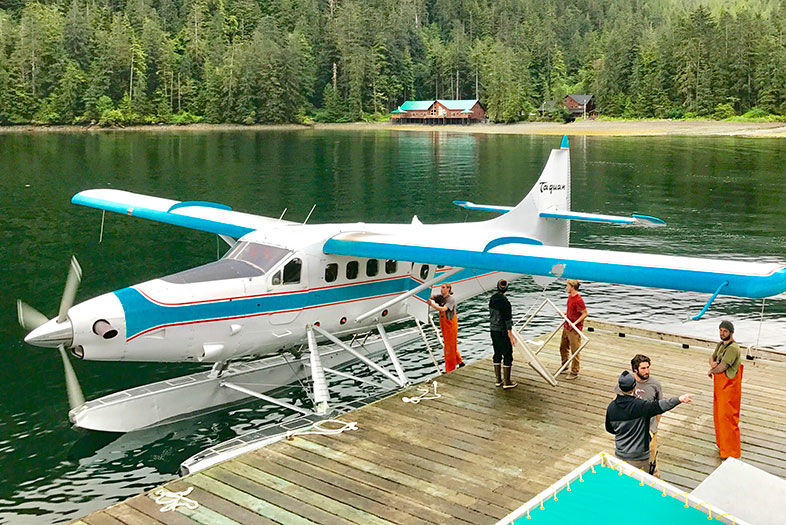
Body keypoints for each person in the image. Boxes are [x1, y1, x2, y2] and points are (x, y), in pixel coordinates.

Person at [606, 370, 693, 471]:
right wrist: (679, 399)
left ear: (620, 388)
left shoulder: (612, 407)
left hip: (620, 455)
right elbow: (661, 405)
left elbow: (610, 429)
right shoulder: (640, 406)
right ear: (634, 387)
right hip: (639, 458)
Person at [614, 355, 663, 476]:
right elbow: (616, 401)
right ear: (635, 370)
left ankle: (654, 483)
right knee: (625, 460)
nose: (647, 371)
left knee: (651, 462)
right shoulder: (626, 382)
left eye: (648, 367)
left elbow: (659, 408)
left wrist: (654, 428)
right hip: (629, 429)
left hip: (648, 430)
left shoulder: (655, 385)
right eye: (643, 368)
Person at [708, 320, 743, 459]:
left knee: (728, 418)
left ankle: (731, 452)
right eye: (720, 330)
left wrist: (711, 370)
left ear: (731, 332)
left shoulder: (733, 348)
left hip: (730, 388)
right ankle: (722, 445)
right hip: (720, 387)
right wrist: (712, 364)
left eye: (725, 331)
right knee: (718, 416)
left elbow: (723, 367)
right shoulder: (721, 344)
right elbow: (712, 357)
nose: (722, 333)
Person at [427, 283, 464, 372]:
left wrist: (432, 305)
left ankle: (450, 369)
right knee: (450, 345)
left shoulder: (451, 299)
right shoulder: (441, 297)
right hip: (444, 325)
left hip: (450, 325)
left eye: (443, 288)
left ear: (448, 289)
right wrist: (425, 290)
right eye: (441, 287)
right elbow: (431, 296)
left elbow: (443, 309)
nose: (441, 289)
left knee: (449, 347)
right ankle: (460, 362)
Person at [489, 279, 517, 389]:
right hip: (502, 331)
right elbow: (507, 322)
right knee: (507, 354)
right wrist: (511, 337)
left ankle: (498, 380)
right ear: (506, 289)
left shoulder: (492, 299)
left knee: (497, 353)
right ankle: (507, 382)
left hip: (493, 330)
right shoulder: (506, 303)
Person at [560, 279, 588, 380]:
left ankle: (574, 371)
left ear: (572, 287)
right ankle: (565, 365)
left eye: (567, 286)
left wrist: (575, 323)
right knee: (563, 347)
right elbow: (571, 311)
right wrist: (565, 314)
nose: (566, 287)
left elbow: (585, 313)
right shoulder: (570, 297)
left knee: (575, 350)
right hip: (567, 325)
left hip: (574, 329)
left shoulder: (578, 300)